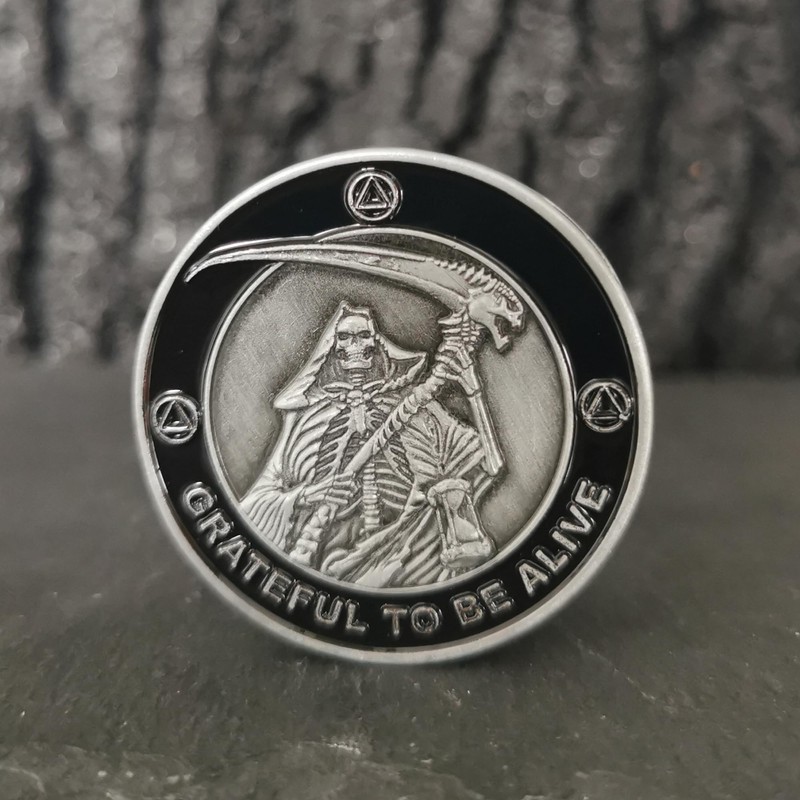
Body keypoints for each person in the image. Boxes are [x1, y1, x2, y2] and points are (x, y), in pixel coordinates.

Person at [239, 302, 495, 588]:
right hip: (326, 559)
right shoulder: (307, 419)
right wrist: (306, 495)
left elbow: (488, 464)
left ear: (377, 345)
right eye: (344, 338)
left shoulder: (414, 406)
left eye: (363, 337)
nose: (354, 348)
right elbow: (253, 506)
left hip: (409, 547)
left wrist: (474, 393)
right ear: (331, 348)